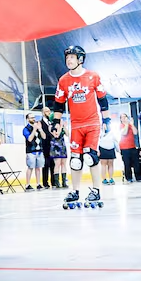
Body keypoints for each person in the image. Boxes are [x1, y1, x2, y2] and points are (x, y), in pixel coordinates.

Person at [53, 45, 111, 207]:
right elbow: (58, 104)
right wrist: (56, 123)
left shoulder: (93, 76)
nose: (68, 60)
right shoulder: (63, 80)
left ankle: (96, 190)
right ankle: (75, 191)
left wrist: (106, 120)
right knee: (75, 160)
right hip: (76, 125)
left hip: (92, 123)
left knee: (90, 156)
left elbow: (103, 100)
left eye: (72, 57)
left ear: (80, 59)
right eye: (67, 57)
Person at [23, 113, 46, 190]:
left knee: (38, 168)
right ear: (27, 119)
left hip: (39, 150)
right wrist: (34, 129)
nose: (33, 119)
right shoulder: (26, 129)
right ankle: (27, 184)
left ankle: (38, 183)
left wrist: (40, 129)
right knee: (30, 167)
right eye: (31, 118)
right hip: (31, 151)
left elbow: (44, 137)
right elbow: (29, 139)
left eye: (34, 117)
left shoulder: (38, 127)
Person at [119, 113, 141, 183]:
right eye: (122, 117)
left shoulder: (130, 125)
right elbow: (124, 133)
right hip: (124, 147)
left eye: (125, 117)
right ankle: (128, 178)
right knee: (127, 163)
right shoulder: (121, 126)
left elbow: (135, 132)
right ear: (120, 119)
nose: (124, 118)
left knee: (136, 163)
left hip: (132, 146)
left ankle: (139, 177)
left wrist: (132, 124)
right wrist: (126, 124)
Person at [49, 113, 69, 188]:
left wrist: (64, 127)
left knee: (63, 164)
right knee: (57, 164)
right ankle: (57, 182)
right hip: (56, 146)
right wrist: (60, 126)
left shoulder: (61, 126)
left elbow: (68, 134)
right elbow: (56, 135)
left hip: (62, 145)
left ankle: (64, 182)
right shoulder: (51, 126)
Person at [98, 119, 119, 184]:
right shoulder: (99, 132)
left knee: (111, 164)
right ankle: (104, 179)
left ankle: (111, 178)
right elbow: (97, 141)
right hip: (102, 148)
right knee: (103, 165)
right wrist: (97, 150)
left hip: (111, 148)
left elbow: (115, 141)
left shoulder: (112, 132)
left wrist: (118, 149)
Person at [40, 106, 55, 189]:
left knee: (53, 164)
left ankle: (54, 182)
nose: (48, 113)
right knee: (46, 164)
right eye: (46, 111)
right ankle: (45, 183)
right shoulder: (40, 123)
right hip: (45, 145)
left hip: (53, 145)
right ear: (43, 113)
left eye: (49, 111)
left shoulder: (51, 122)